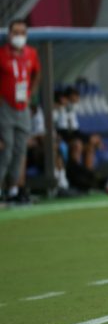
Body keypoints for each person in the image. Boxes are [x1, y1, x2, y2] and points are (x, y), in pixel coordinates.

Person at [0, 19, 40, 202]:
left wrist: (31, 92)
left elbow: (37, 72)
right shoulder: (1, 55)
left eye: (22, 33)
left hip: (22, 106)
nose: (19, 36)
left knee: (20, 150)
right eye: (15, 32)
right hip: (5, 106)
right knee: (5, 149)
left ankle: (14, 190)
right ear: (9, 35)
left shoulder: (31, 54)